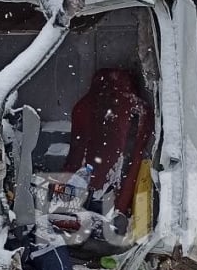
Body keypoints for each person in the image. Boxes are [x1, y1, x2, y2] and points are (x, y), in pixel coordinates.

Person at [64, 68, 154, 216]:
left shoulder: (135, 113)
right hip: (87, 198)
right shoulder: (86, 108)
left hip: (103, 205)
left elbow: (128, 167)